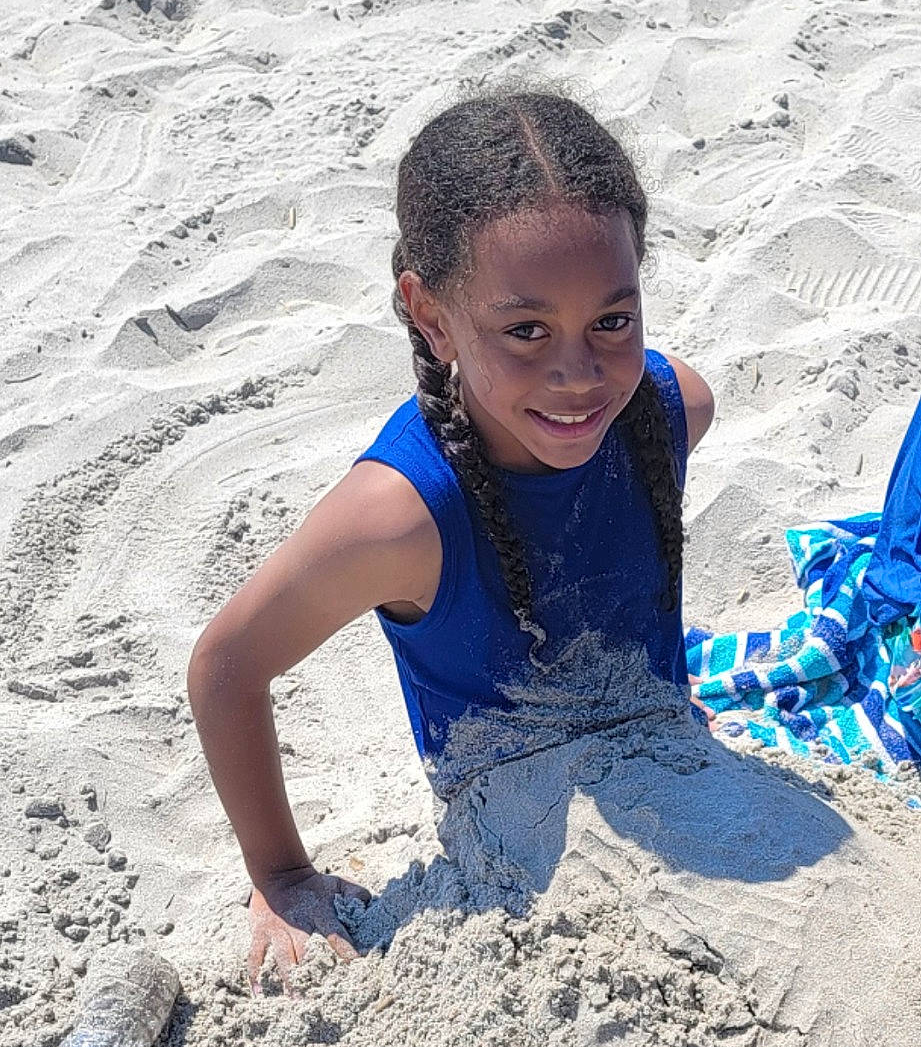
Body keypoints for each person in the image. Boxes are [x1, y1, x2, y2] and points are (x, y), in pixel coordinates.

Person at [186, 89, 715, 991]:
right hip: (525, 869)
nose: (578, 374)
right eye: (524, 330)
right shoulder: (398, 518)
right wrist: (279, 877)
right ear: (432, 317)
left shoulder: (672, 410)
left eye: (612, 322)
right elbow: (226, 666)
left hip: (685, 781)